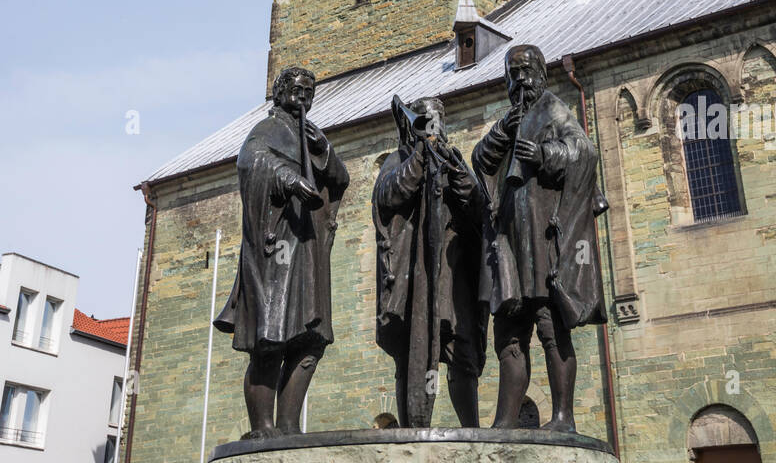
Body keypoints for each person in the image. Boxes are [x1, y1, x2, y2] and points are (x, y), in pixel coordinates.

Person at [472, 44, 607, 432]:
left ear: (541, 74)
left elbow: (585, 151)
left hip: (547, 238)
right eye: (513, 73)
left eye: (527, 71)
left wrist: (546, 154)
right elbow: (481, 161)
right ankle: (505, 421)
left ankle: (563, 416)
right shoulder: (509, 120)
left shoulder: (553, 110)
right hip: (512, 245)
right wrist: (502, 131)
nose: (520, 79)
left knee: (551, 327)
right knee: (510, 335)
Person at [214, 65, 349, 438]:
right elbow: (251, 162)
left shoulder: (310, 136)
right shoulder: (268, 129)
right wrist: (288, 180)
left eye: (310, 90)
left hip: (307, 249)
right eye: (297, 88)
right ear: (280, 92)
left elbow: (340, 179)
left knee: (311, 339)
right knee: (269, 338)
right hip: (276, 249)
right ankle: (263, 426)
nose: (304, 95)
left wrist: (324, 149)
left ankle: (289, 424)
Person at [373, 94, 486, 427]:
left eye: (437, 120)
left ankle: (472, 427)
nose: (432, 128)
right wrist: (421, 157)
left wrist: (460, 177)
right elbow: (389, 193)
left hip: (453, 274)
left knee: (461, 350)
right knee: (412, 352)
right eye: (424, 120)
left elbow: (479, 208)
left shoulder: (454, 160)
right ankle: (412, 427)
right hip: (416, 276)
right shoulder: (400, 159)